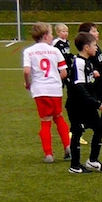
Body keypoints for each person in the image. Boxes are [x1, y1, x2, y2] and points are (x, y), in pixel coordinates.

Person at [22, 22, 71, 163]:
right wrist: (55, 79)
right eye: (50, 34)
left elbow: (26, 71)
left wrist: (28, 83)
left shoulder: (29, 51)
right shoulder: (55, 51)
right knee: (59, 117)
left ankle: (48, 154)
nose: (52, 37)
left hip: (40, 90)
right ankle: (68, 147)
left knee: (45, 121)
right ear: (45, 35)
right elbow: (64, 72)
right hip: (55, 89)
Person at [65, 32, 102, 174]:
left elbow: (89, 85)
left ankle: (92, 160)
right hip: (76, 105)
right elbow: (79, 87)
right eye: (94, 45)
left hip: (87, 104)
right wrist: (95, 103)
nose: (96, 48)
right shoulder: (79, 62)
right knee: (77, 132)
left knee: (99, 129)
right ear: (86, 47)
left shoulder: (88, 62)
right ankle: (74, 165)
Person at [53, 23, 87, 146]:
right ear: (57, 33)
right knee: (65, 89)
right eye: (63, 31)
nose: (65, 33)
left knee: (71, 90)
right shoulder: (56, 43)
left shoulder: (66, 42)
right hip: (60, 70)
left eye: (66, 31)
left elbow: (67, 55)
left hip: (67, 70)